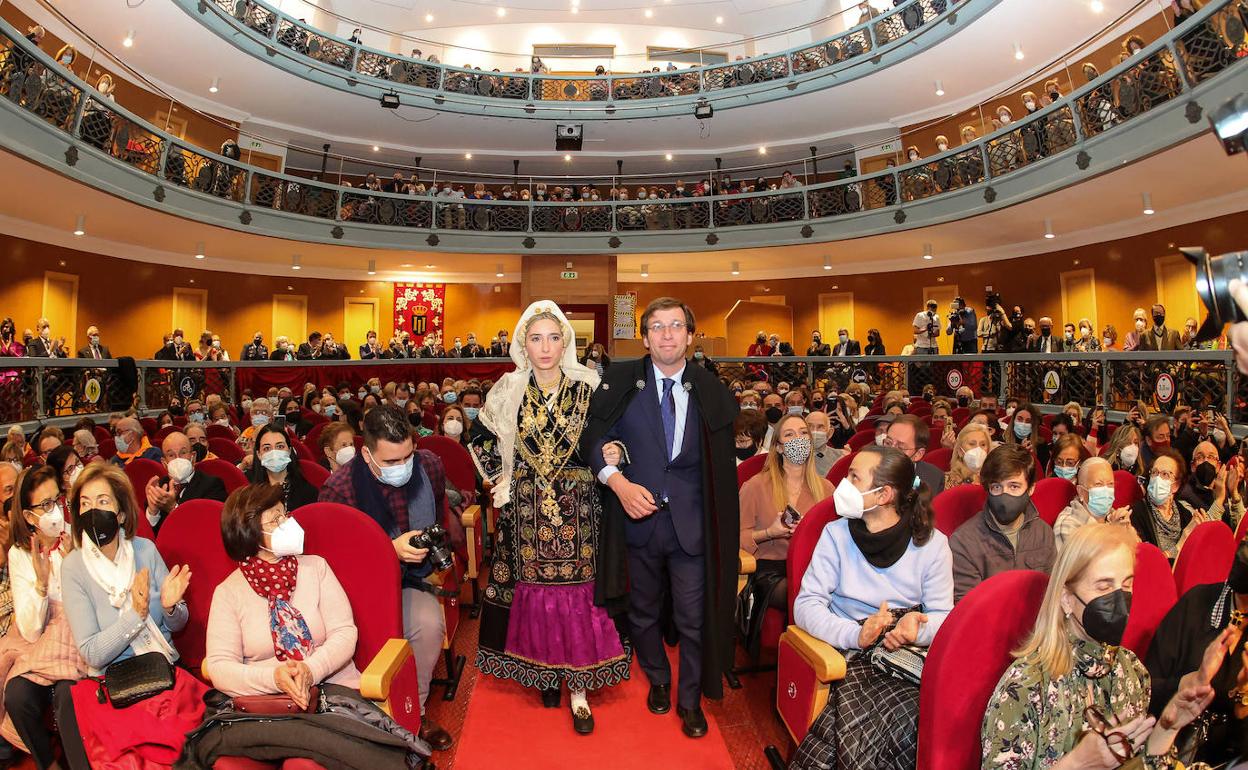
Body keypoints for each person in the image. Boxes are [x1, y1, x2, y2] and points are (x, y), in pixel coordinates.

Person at [465, 302, 629, 735]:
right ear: (523, 343)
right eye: (535, 338)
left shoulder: (591, 385)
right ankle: (546, 668)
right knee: (535, 589)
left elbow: (618, 436)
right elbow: (479, 435)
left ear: (565, 342)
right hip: (526, 510)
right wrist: (501, 479)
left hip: (580, 511)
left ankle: (578, 687)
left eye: (553, 337)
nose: (545, 347)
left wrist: (615, 452)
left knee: (578, 593)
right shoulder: (507, 388)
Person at [582, 297, 739, 740]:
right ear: (645, 337)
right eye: (657, 327)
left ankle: (689, 699)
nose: (667, 334)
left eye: (675, 326)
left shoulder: (712, 390)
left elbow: (722, 471)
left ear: (690, 335)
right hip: (638, 522)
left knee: (693, 617)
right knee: (643, 614)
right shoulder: (619, 383)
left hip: (693, 528)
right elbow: (594, 440)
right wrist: (617, 482)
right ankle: (658, 678)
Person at [199, 484, 426, 765]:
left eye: (286, 515)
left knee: (304, 765)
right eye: (276, 520)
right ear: (249, 533)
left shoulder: (315, 568)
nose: (288, 524)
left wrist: (310, 669)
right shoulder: (228, 592)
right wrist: (274, 678)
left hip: (330, 691)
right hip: (264, 704)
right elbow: (220, 666)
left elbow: (344, 633)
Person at [981, 521, 1219, 768]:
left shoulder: (1130, 670)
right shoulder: (1026, 687)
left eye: (1126, 585)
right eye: (1104, 586)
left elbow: (1138, 764)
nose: (1120, 599)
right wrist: (1077, 764)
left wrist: (1167, 729)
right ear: (1066, 599)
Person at [789, 446, 953, 768]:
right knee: (898, 716)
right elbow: (806, 605)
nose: (842, 485)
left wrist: (916, 629)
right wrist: (856, 634)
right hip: (847, 647)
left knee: (925, 714)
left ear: (884, 495)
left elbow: (942, 617)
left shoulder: (933, 545)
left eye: (853, 477)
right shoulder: (836, 535)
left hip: (903, 652)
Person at [318, 405, 453, 750]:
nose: (402, 468)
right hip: (354, 589)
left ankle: (413, 714)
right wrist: (387, 550)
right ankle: (360, 714)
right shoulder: (339, 488)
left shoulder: (430, 467)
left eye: (407, 456)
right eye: (391, 462)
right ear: (366, 453)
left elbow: (440, 518)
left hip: (411, 580)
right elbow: (334, 563)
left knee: (428, 625)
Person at [60, 463, 202, 765]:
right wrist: (135, 616)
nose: (92, 511)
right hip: (112, 689)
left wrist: (170, 606)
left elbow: (177, 624)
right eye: (84, 504)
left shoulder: (145, 550)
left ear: (121, 513)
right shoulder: (73, 567)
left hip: (163, 673)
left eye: (102, 502)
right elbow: (92, 653)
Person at [3, 466, 89, 769]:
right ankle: (48, 765)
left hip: (78, 638)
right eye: (45, 505)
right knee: (16, 696)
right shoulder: (20, 553)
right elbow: (29, 630)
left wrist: (74, 568)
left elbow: (97, 600)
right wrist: (40, 584)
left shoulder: (79, 534)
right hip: (40, 643)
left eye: (58, 500)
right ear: (29, 517)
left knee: (67, 694)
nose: (56, 511)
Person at [1144, 539, 1247, 766]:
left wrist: (1243, 702)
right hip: (1169, 750)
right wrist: (1190, 683)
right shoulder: (1197, 603)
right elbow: (1145, 690)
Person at [738, 413, 833, 658]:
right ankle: (797, 662)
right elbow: (736, 537)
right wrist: (769, 532)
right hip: (770, 569)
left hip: (814, 568)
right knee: (802, 591)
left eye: (804, 434)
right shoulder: (755, 486)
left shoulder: (826, 489)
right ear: (779, 447)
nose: (798, 439)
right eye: (789, 435)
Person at [949, 444, 1056, 603]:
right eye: (997, 487)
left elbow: (1050, 594)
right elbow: (967, 611)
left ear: (1031, 489)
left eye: (1014, 486)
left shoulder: (1043, 533)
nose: (1004, 495)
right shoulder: (964, 541)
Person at [143, 431, 228, 534]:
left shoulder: (212, 485)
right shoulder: (159, 488)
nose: (178, 459)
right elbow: (148, 536)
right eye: (171, 455)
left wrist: (172, 508)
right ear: (164, 463)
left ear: (193, 457)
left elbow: (209, 529)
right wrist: (152, 512)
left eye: (183, 453)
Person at [1131, 446, 1202, 561]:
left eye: (1165, 474)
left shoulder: (1185, 514)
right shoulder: (1137, 513)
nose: (1157, 479)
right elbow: (1148, 563)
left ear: (1176, 485)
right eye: (1154, 473)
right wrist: (1182, 542)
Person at [1054, 457, 1134, 548]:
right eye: (1098, 484)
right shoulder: (1068, 524)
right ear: (1081, 492)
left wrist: (1129, 531)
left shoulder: (1113, 515)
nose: (1106, 490)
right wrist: (1113, 533)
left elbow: (1136, 553)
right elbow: (1089, 560)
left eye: (1110, 484)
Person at [246, 424, 319, 513]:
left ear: (289, 450)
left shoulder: (308, 493)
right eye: (267, 448)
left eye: (280, 447)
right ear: (259, 454)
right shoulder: (249, 492)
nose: (274, 453)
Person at [1178, 440, 1245, 532]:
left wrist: (1234, 493)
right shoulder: (1184, 495)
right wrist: (1219, 499)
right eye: (1200, 457)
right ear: (1193, 466)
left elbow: (1240, 529)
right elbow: (1202, 532)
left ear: (1218, 466)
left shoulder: (1223, 488)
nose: (1206, 461)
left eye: (1211, 457)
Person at [884, 415, 945, 494]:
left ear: (918, 454)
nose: (890, 451)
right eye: (888, 443)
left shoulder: (934, 478)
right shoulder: (869, 469)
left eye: (900, 447)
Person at [945, 422, 992, 488]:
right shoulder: (948, 480)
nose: (978, 449)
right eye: (972, 444)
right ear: (960, 451)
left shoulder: (995, 478)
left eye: (983, 444)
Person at [805, 409, 840, 478]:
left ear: (830, 433)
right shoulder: (793, 457)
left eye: (820, 427)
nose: (814, 431)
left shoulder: (839, 457)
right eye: (810, 426)